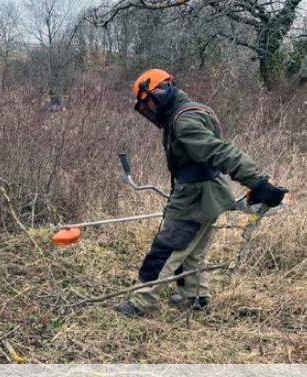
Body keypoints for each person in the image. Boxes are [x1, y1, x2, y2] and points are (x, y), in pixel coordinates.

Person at [115, 69, 287, 317]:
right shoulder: (190, 110)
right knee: (192, 252)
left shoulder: (184, 121)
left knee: (166, 249)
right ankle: (196, 297)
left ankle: (141, 303)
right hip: (208, 194)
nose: (149, 109)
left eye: (149, 102)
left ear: (161, 92)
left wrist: (258, 182)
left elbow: (220, 152)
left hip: (195, 197)